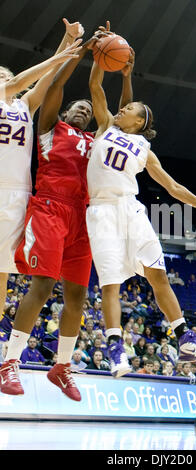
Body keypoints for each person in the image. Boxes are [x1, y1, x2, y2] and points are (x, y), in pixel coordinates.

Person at [85, 24, 196, 378]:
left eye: (130, 109)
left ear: (140, 122)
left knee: (158, 275)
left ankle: (184, 337)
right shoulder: (106, 125)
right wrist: (100, 57)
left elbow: (173, 187)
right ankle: (116, 349)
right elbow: (95, 88)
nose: (123, 110)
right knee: (111, 283)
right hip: (101, 210)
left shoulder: (144, 148)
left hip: (131, 209)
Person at [0, 26, 133, 401]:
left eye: (87, 110)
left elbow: (121, 118)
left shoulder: (97, 140)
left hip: (83, 218)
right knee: (41, 285)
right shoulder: (48, 127)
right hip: (49, 208)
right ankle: (10, 362)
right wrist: (78, 53)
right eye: (78, 106)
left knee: (77, 297)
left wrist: (121, 76)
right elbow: (56, 86)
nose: (83, 109)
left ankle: (62, 366)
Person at [0, 18, 85, 318]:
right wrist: (57, 56)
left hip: (19, 196)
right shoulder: (6, 90)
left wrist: (66, 41)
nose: (2, 77)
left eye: (3, 73)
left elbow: (45, 81)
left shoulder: (24, 106)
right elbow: (17, 83)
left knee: (2, 276)